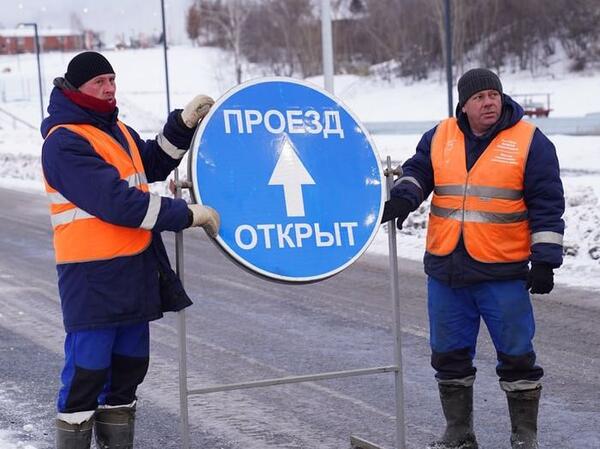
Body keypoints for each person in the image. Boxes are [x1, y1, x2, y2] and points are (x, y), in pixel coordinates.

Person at [41, 51, 220, 449]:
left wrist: (183, 125)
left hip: (134, 271)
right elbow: (119, 202)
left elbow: (152, 163)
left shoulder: (114, 129)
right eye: (98, 82)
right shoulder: (64, 141)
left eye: (111, 79)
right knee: (87, 372)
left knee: (129, 369)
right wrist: (187, 215)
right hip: (91, 278)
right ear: (76, 88)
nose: (108, 89)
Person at [382, 68, 564, 449]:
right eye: (480, 97)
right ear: (463, 105)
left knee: (517, 357)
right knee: (448, 355)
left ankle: (524, 436)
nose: (489, 102)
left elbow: (547, 202)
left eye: (494, 95)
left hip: (503, 273)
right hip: (447, 270)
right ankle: (459, 433)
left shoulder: (531, 142)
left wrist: (545, 258)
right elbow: (418, 174)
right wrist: (404, 197)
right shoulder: (439, 136)